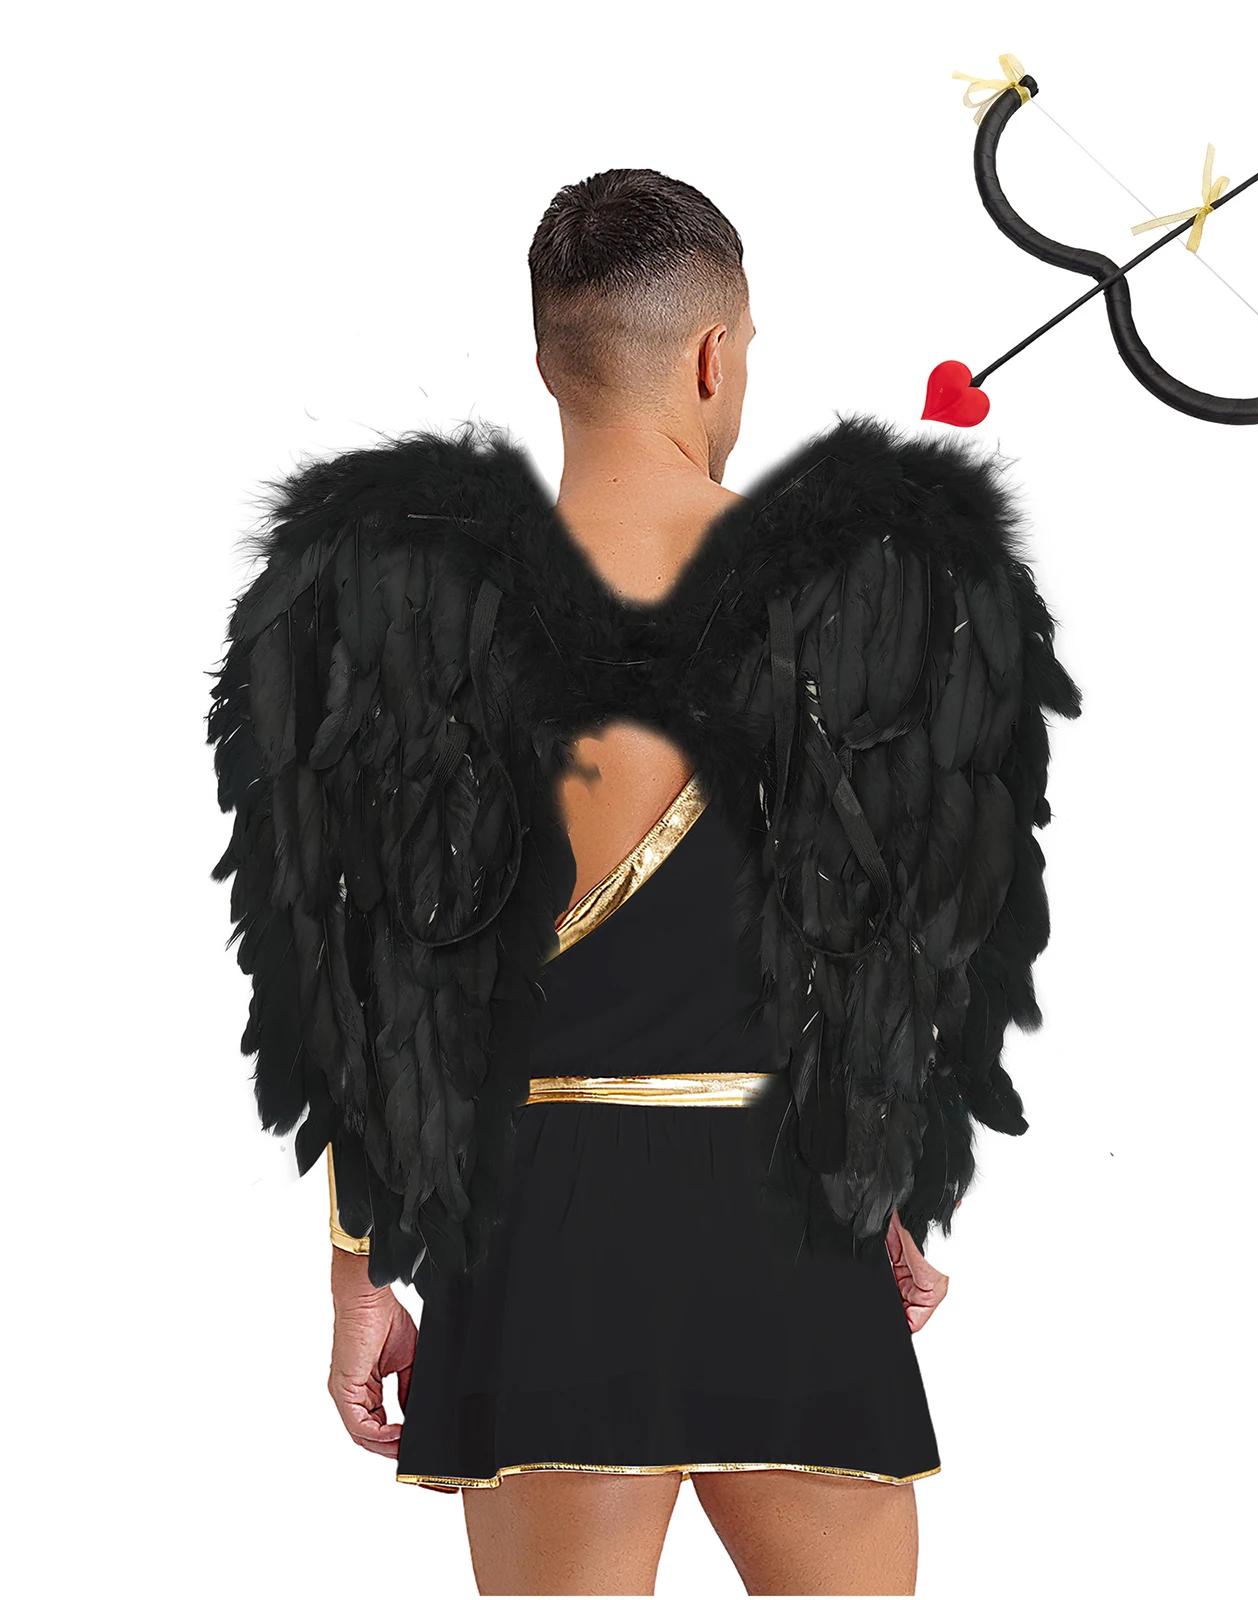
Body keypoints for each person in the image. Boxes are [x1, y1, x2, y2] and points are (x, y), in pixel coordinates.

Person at [208, 167, 1082, 1595]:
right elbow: (899, 946)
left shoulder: (415, 617)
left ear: (549, 358)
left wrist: (360, 1268)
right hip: (784, 1217)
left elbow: (365, 985)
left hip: (534, 1236)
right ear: (714, 353)